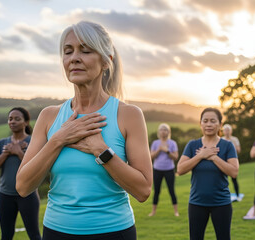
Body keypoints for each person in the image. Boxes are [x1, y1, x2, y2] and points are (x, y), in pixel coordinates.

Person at [15, 21, 152, 240]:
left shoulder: (128, 115)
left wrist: (101, 150)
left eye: (85, 50)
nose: (74, 58)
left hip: (114, 232)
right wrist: (58, 139)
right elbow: (23, 186)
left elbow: (143, 190)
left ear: (107, 62)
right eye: (68, 52)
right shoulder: (49, 117)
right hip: (56, 232)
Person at [177, 108, 239, 240]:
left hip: (221, 203)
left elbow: (234, 172)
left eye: (213, 121)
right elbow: (180, 169)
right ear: (200, 123)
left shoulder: (227, 146)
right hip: (196, 203)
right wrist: (200, 156)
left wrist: (213, 157)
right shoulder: (193, 145)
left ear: (220, 124)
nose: (209, 124)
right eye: (205, 121)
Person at [0, 107, 41, 240]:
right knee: (6, 235)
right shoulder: (2, 143)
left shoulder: (32, 142)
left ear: (26, 122)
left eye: (17, 119)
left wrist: (18, 152)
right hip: (5, 196)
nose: (13, 122)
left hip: (28, 195)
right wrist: (5, 153)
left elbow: (37, 168)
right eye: (10, 119)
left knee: (34, 235)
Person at [148, 123, 179, 217]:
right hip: (157, 170)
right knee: (156, 191)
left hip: (169, 169)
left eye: (165, 129)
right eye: (161, 129)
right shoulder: (155, 143)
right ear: (159, 132)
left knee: (171, 190)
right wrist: (159, 149)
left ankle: (176, 212)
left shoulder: (172, 143)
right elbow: (151, 156)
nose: (163, 131)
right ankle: (153, 212)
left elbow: (176, 157)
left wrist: (167, 151)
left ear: (168, 132)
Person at [222, 124, 242, 201]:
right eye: (225, 130)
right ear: (223, 131)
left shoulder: (235, 139)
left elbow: (239, 150)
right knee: (223, 180)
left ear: (231, 131)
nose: (227, 132)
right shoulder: (221, 139)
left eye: (228, 130)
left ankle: (237, 196)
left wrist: (232, 145)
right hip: (223, 163)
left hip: (232, 163)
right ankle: (224, 196)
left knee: (234, 179)